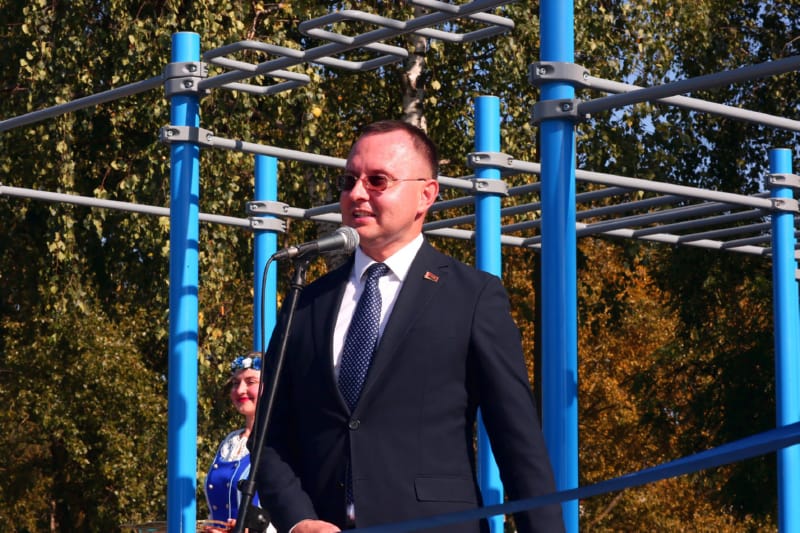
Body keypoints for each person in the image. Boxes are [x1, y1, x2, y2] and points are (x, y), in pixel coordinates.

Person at [251, 120, 565, 533]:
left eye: (377, 180)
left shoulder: (471, 297)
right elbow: (268, 437)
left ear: (426, 195)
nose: (357, 193)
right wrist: (299, 521)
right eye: (349, 180)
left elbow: (517, 442)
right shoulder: (305, 303)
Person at [204, 352, 276, 533]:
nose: (240, 390)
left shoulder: (282, 441)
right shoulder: (230, 442)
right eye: (236, 383)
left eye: (251, 382)